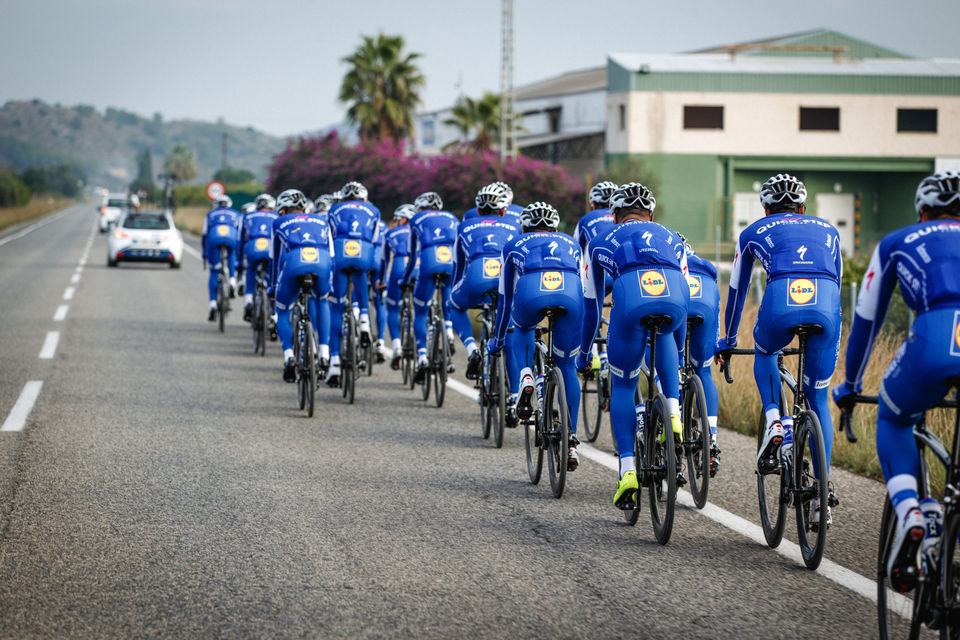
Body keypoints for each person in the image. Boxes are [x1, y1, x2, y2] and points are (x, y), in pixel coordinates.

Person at [833, 171, 960, 591]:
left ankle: (912, 513)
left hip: (934, 340)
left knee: (894, 417)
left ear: (922, 212)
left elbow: (867, 319)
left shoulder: (897, 241)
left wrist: (851, 383)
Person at [716, 173, 841, 525]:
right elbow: (837, 282)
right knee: (819, 400)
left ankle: (775, 422)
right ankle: (821, 496)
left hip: (781, 299)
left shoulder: (754, 231)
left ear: (766, 208)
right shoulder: (829, 229)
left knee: (766, 352)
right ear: (803, 207)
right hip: (826, 307)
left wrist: (727, 341)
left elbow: (738, 291)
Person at [577, 182, 688, 508]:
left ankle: (627, 470)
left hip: (630, 295)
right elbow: (687, 294)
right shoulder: (672, 236)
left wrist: (585, 354)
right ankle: (674, 413)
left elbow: (592, 306)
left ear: (614, 216)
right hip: (674, 299)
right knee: (665, 332)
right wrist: (681, 353)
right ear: (651, 215)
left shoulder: (599, 240)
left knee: (624, 385)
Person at [489, 202, 583, 470]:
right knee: (566, 366)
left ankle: (526, 377)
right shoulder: (570, 243)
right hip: (570, 295)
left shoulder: (514, 244)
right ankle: (571, 440)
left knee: (522, 328)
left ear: (524, 226)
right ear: (555, 227)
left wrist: (497, 340)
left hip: (532, 292)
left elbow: (505, 298)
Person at [450, 183, 522, 379]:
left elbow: (458, 264)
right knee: (509, 332)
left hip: (476, 276)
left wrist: (454, 290)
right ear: (504, 210)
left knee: (454, 306)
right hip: (505, 279)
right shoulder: (515, 226)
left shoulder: (464, 226)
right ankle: (515, 397)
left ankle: (472, 348)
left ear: (478, 210)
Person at [269, 189, 333, 382]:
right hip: (322, 263)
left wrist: (273, 287)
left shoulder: (279, 222)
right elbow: (332, 256)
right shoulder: (322, 220)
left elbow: (274, 259)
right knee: (322, 301)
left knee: (281, 310)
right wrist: (331, 286)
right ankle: (324, 352)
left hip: (294, 262)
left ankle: (289, 357)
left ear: (282, 210)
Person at [327, 181, 382, 386]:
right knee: (361, 277)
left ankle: (334, 364)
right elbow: (375, 239)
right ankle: (365, 322)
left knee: (337, 308)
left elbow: (330, 237)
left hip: (340, 252)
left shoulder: (334, 208)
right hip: (364, 252)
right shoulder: (374, 210)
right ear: (364, 198)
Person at [402, 191, 459, 383]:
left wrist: (405, 279)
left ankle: (423, 357)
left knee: (420, 311)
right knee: (447, 295)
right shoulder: (451, 217)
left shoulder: (416, 219)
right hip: (450, 261)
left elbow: (412, 254)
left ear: (419, 208)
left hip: (428, 260)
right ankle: (449, 332)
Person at [679, 234, 722, 475]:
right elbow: (716, 307)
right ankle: (712, 440)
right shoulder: (705, 264)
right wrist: (716, 345)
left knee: (669, 367)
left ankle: (671, 423)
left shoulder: (665, 260)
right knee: (703, 371)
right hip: (706, 299)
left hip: (676, 299)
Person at [377, 204, 417, 370]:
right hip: (418, 265)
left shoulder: (390, 233)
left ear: (404, 219)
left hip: (399, 266)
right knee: (423, 306)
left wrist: (381, 281)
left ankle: (397, 346)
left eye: (397, 219)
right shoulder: (419, 230)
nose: (395, 222)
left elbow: (384, 261)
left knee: (392, 308)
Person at [200, 195, 241, 321]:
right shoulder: (236, 214)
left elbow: (204, 235)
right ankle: (233, 280)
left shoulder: (210, 214)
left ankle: (212, 304)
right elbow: (240, 235)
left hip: (214, 237)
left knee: (214, 271)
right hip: (231, 236)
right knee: (232, 253)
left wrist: (205, 253)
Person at [241, 194, 278, 322]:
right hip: (270, 247)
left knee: (251, 269)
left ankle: (248, 300)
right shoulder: (277, 216)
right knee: (272, 275)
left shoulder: (248, 216)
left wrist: (239, 262)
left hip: (253, 245)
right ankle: (273, 310)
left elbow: (241, 240)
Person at [368, 217, 389, 363]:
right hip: (379, 263)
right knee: (380, 302)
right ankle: (381, 341)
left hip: (362, 257)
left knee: (356, 297)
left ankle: (360, 322)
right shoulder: (382, 223)